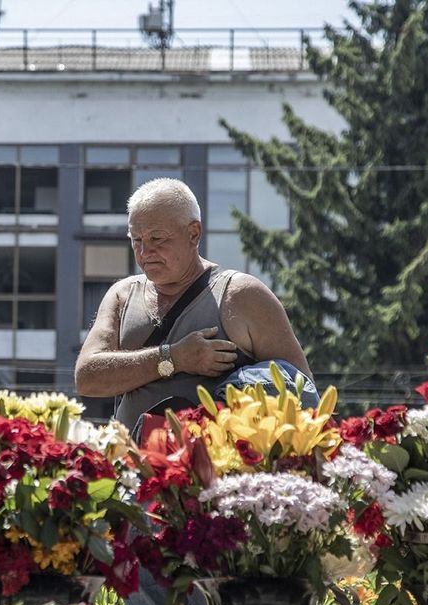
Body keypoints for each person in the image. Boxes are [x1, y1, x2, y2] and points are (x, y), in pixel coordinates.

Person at [75, 176, 312, 430]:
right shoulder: (122, 294)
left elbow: (302, 395)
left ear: (193, 233)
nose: (145, 252)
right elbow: (87, 377)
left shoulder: (242, 295)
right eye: (136, 240)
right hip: (130, 467)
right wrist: (174, 358)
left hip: (218, 468)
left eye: (157, 239)